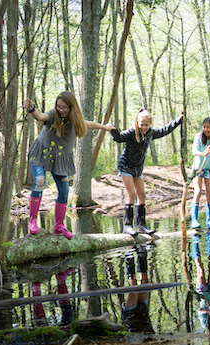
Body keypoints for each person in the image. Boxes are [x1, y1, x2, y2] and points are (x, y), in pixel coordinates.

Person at [24, 92, 115, 239]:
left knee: (65, 190)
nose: (61, 110)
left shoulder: (75, 120)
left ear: (72, 107)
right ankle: (33, 221)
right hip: (41, 153)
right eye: (59, 106)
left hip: (60, 158)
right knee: (40, 182)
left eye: (64, 107)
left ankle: (59, 226)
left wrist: (105, 127)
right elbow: (40, 116)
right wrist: (32, 109)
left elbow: (89, 124)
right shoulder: (53, 115)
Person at [110, 109, 184, 236]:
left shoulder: (151, 133)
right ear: (137, 122)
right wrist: (113, 130)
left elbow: (165, 130)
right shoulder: (132, 132)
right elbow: (119, 138)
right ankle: (127, 226)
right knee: (131, 194)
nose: (144, 127)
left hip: (138, 168)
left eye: (146, 124)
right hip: (126, 165)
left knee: (142, 195)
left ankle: (141, 226)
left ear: (150, 124)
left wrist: (178, 121)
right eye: (141, 124)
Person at [191, 117, 210, 231]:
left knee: (209, 194)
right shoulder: (198, 137)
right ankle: (194, 220)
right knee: (198, 191)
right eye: (204, 127)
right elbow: (194, 151)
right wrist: (203, 153)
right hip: (198, 168)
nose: (206, 129)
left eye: (208, 127)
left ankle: (209, 221)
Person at [121, 244, 155, 333]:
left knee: (134, 288)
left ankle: (129, 255)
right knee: (145, 282)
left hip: (132, 317)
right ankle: (142, 253)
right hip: (144, 314)